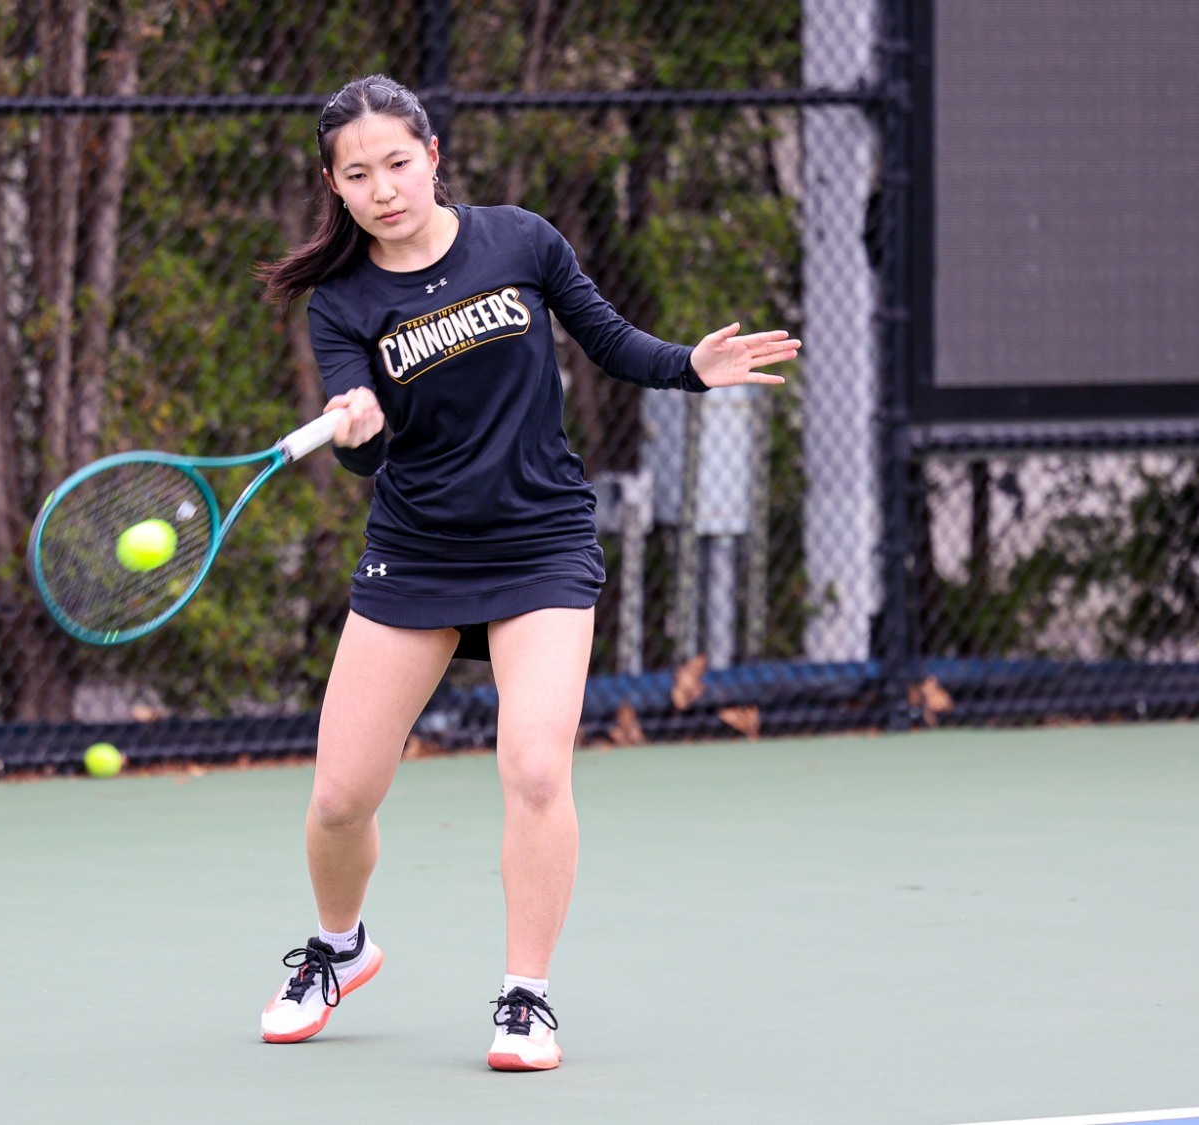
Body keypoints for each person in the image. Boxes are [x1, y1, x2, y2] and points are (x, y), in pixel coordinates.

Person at [251, 74, 800, 1071]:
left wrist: (689, 367)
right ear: (334, 189)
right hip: (413, 552)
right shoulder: (342, 305)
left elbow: (611, 343)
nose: (383, 188)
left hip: (538, 544)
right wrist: (358, 433)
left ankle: (524, 998)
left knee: (537, 769)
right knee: (339, 799)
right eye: (357, 174)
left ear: (432, 158)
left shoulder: (520, 243)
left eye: (398, 164)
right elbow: (364, 453)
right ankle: (339, 947)